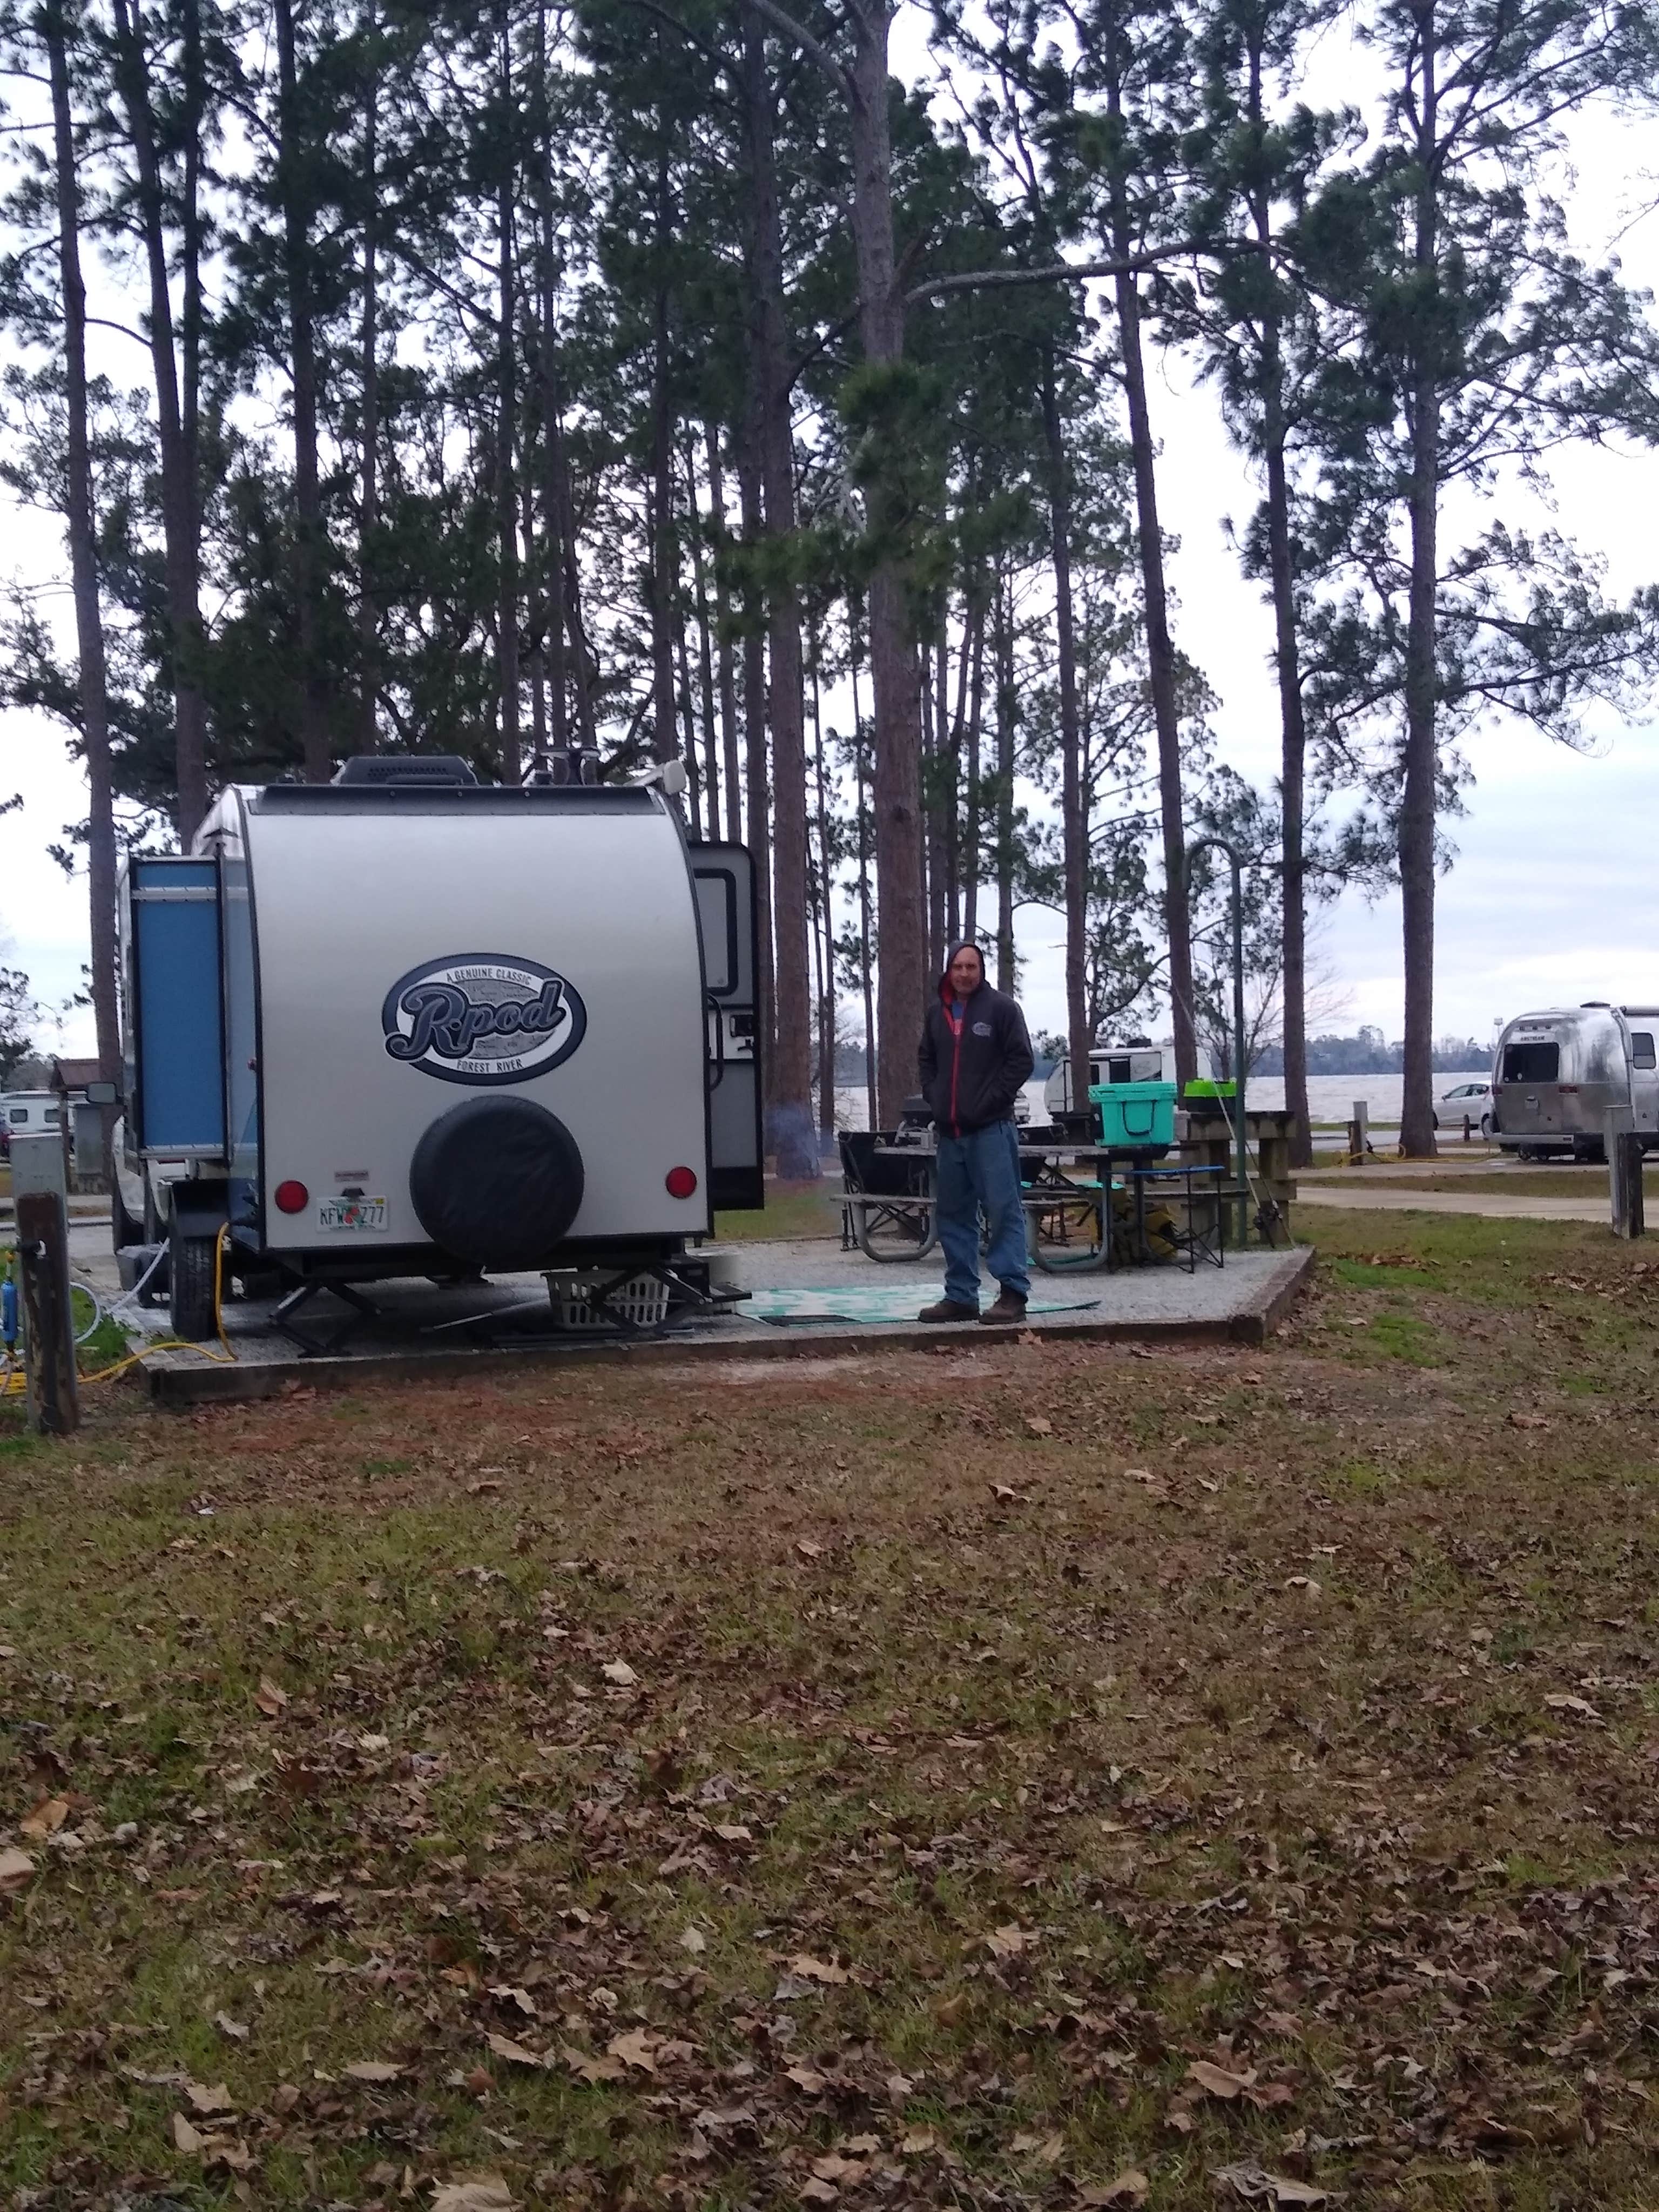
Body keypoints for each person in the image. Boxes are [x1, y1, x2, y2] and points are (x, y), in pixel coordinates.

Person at [915, 940, 1035, 1324]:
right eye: (958, 967)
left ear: (981, 971)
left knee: (1003, 1210)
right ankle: (961, 1296)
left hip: (992, 1130)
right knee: (953, 1214)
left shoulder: (1001, 1009)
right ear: (948, 971)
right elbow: (927, 1060)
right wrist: (935, 1100)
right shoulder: (938, 1014)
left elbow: (1022, 1060)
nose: (965, 973)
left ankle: (1013, 1293)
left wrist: (989, 1101)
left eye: (972, 967)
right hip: (950, 1134)